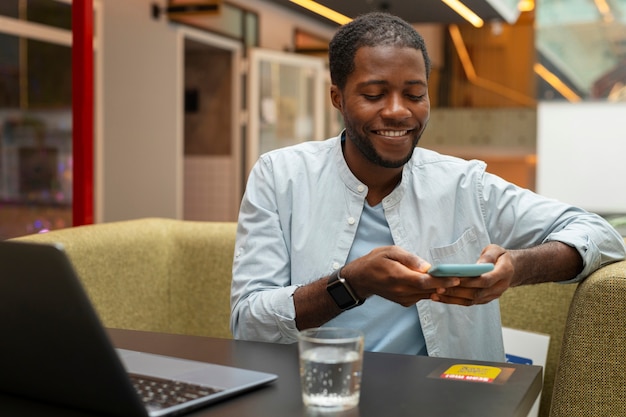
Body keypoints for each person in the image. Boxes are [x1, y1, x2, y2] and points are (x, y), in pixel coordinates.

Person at [230, 12, 626, 361]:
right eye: (374, 94)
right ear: (337, 97)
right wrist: (352, 284)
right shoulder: (279, 178)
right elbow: (248, 322)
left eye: (415, 94)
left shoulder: (464, 184)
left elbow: (602, 235)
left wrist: (516, 267)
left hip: (449, 400)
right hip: (319, 393)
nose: (398, 110)